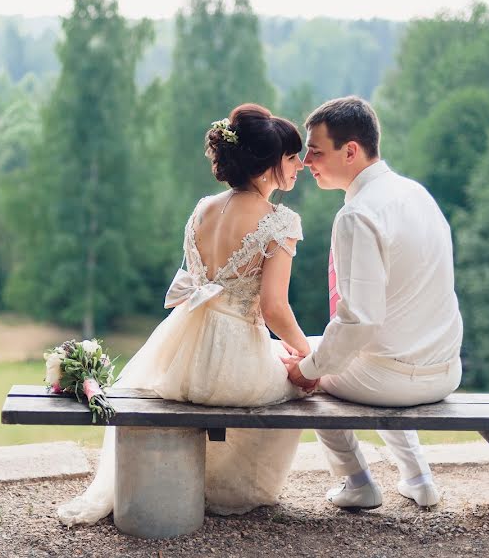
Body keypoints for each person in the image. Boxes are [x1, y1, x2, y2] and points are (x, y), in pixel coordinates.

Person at [58, 103, 310, 526]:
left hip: (177, 354)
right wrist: (305, 353)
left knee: (284, 369)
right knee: (300, 385)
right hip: (233, 362)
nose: (300, 165)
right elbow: (274, 308)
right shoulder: (278, 222)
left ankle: (201, 480)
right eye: (292, 157)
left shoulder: (202, 209)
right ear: (268, 166)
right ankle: (229, 486)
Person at [282, 96, 463, 509]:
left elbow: (359, 322)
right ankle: (418, 478)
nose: (307, 162)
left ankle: (358, 482)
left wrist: (308, 369)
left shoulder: (358, 214)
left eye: (316, 152)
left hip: (396, 380)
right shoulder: (417, 194)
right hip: (446, 370)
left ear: (350, 151)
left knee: (305, 363)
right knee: (348, 357)